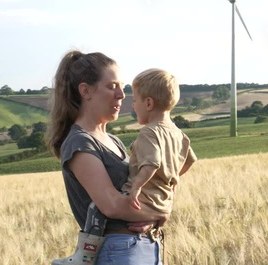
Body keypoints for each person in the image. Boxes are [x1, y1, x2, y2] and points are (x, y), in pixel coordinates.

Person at [46, 50, 168, 265]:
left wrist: (153, 218)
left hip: (145, 246)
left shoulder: (114, 141)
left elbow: (136, 197)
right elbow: (111, 205)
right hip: (118, 251)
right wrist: (159, 213)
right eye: (112, 86)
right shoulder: (80, 142)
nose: (122, 94)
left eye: (122, 86)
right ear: (85, 91)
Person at [122, 68, 197, 216]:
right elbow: (190, 160)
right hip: (163, 202)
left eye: (135, 100)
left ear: (148, 103)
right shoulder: (179, 134)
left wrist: (136, 187)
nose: (132, 105)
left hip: (140, 200)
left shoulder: (149, 132)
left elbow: (152, 163)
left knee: (96, 208)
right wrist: (173, 178)